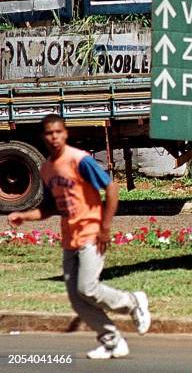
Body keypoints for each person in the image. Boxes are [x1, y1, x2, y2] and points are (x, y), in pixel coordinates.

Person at [8, 114, 150, 359]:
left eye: (58, 132)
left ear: (65, 133)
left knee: (88, 288)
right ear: (43, 137)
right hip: (69, 238)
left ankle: (133, 302)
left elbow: (111, 188)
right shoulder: (47, 169)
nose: (54, 137)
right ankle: (112, 341)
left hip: (91, 233)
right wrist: (25, 216)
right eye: (49, 133)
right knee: (77, 299)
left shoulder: (79, 160)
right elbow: (52, 207)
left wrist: (105, 227)